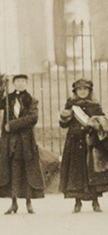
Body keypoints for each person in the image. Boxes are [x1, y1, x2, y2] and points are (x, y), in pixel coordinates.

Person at [59, 78, 108, 212]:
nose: (82, 92)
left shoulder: (95, 105)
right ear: (75, 91)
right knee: (76, 172)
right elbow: (63, 125)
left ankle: (95, 202)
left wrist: (96, 124)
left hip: (91, 142)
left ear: (89, 91)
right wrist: (65, 114)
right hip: (74, 142)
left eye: (85, 89)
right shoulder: (71, 105)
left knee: (92, 172)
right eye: (79, 89)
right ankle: (77, 203)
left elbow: (103, 123)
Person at [0, 74, 45, 214]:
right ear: (13, 83)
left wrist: (12, 125)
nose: (20, 84)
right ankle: (13, 202)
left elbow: (32, 118)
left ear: (26, 83)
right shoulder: (7, 99)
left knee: (27, 170)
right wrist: (1, 85)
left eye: (22, 82)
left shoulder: (32, 100)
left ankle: (28, 202)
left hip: (25, 141)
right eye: (17, 81)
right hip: (10, 141)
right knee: (12, 170)